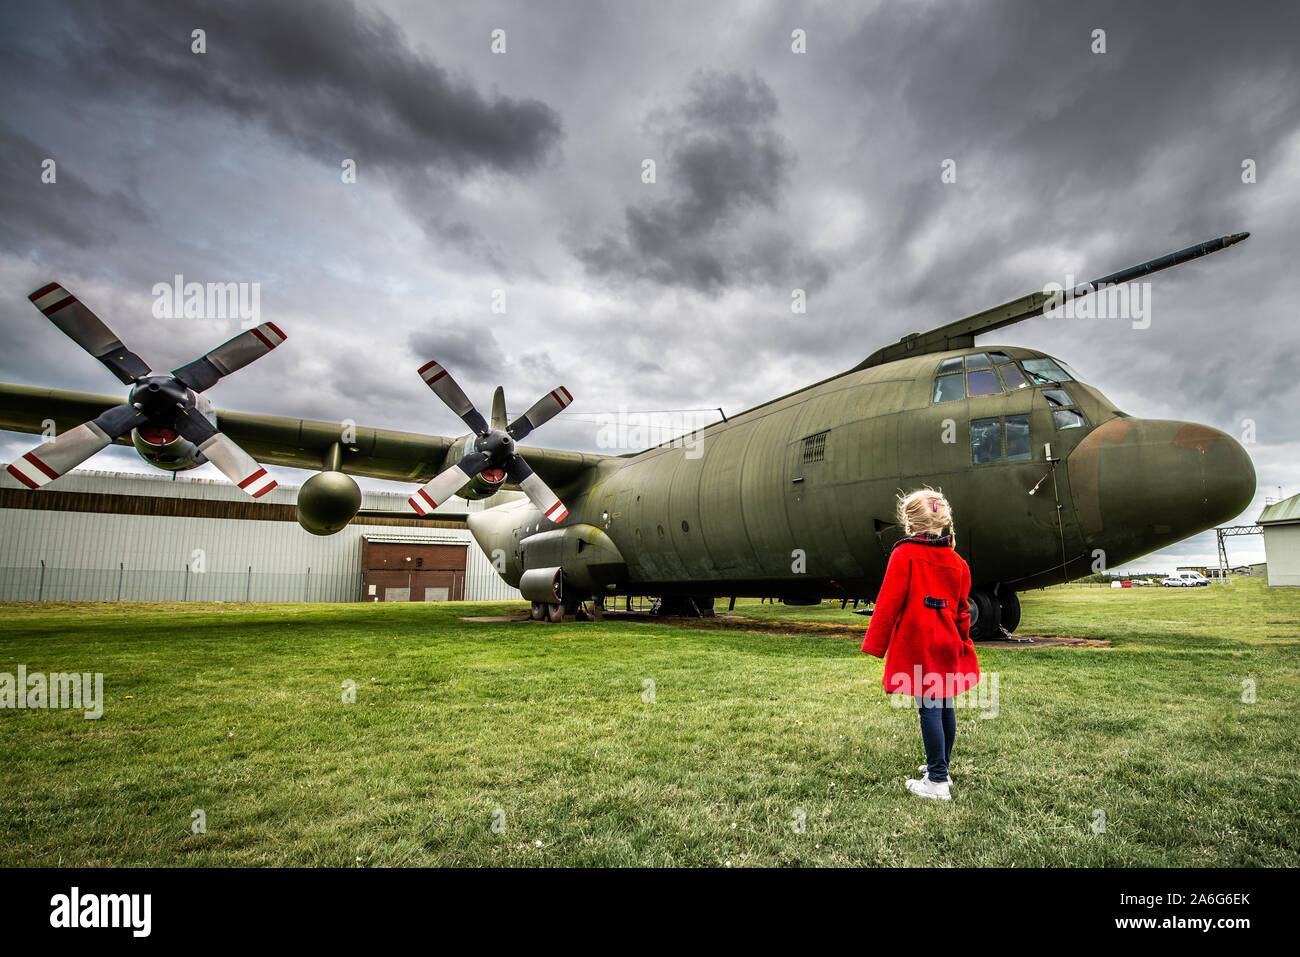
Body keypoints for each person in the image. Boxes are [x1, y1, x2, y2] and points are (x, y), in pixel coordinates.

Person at [861, 488, 979, 800]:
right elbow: (962, 610)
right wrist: (963, 641)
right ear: (944, 522)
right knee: (944, 706)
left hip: (920, 645)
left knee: (929, 708)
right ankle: (941, 768)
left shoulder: (904, 554)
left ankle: (937, 782)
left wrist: (875, 644)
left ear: (909, 524)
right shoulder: (958, 564)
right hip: (947, 643)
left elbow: (888, 603)